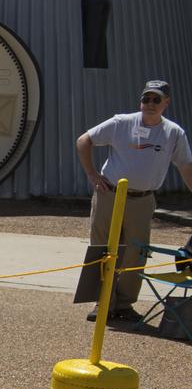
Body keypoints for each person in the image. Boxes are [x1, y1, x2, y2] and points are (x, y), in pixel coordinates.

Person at [75, 80, 192, 325]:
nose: (150, 104)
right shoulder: (121, 123)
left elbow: (185, 166)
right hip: (110, 194)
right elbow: (84, 140)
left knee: (135, 252)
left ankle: (125, 304)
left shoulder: (174, 133)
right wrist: (93, 175)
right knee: (103, 247)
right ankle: (102, 302)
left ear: (166, 103)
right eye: (146, 99)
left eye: (156, 99)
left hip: (143, 199)